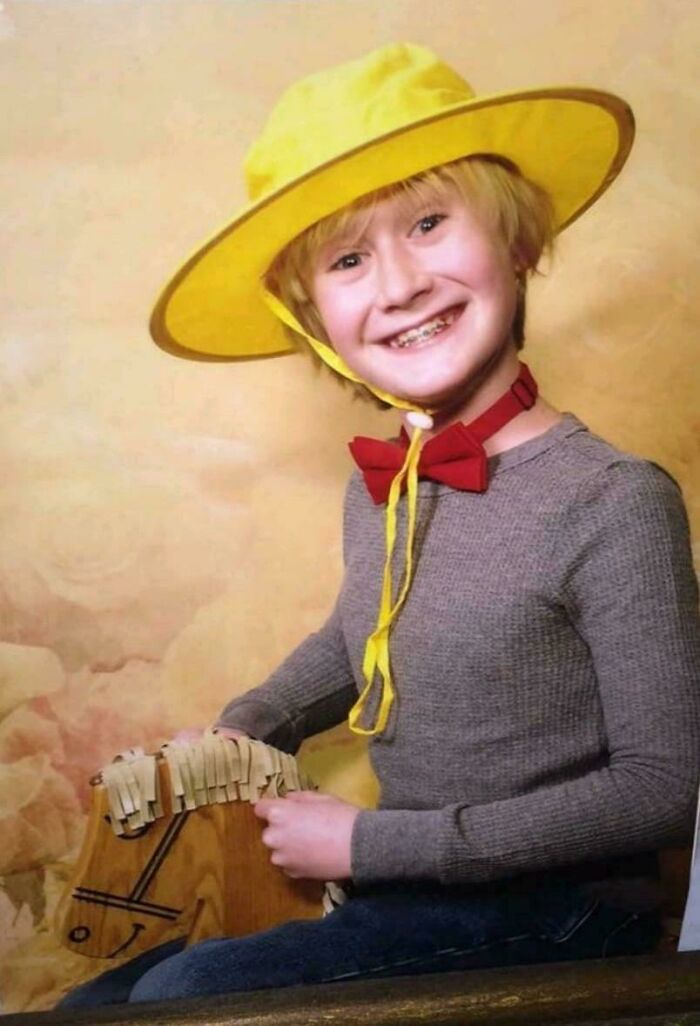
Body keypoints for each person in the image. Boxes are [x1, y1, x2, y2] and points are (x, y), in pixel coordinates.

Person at [59, 42, 700, 1007]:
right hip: (407, 890)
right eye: (349, 258)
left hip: (557, 908)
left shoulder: (616, 501)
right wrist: (248, 726)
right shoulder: (383, 487)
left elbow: (661, 787)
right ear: (314, 316)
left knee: (177, 1002)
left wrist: (366, 841)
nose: (398, 284)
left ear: (519, 243)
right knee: (96, 1002)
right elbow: (363, 635)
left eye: (431, 224)